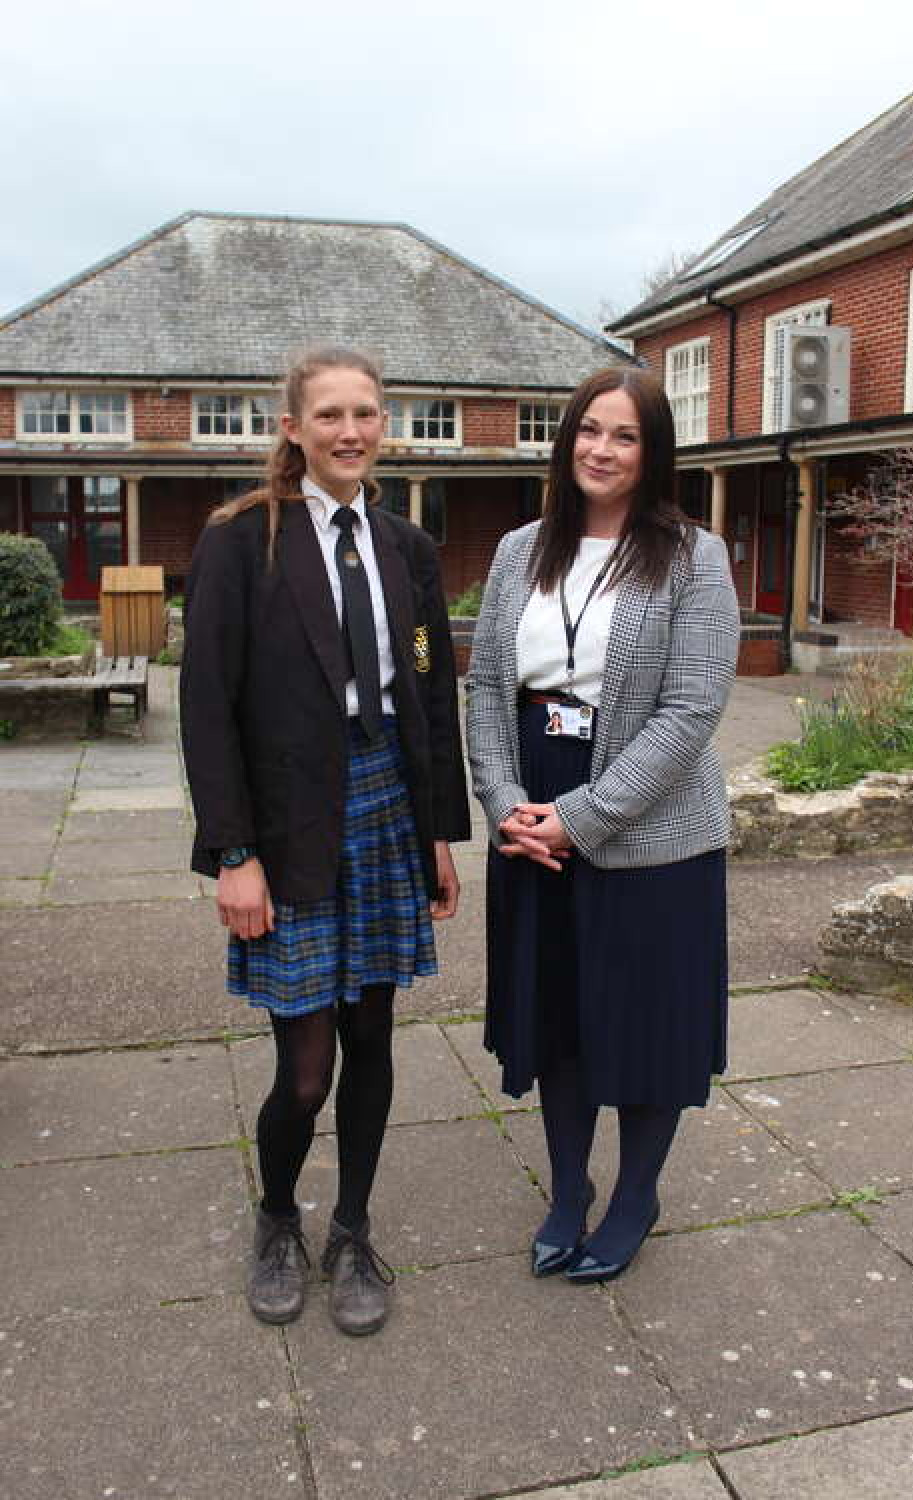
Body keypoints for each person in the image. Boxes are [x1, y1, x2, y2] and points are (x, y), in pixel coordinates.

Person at [180, 346, 469, 1335]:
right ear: (293, 428)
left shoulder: (407, 547)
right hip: (288, 827)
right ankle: (275, 1218)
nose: (352, 431)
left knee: (373, 1040)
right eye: (331, 414)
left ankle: (351, 1229)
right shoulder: (240, 542)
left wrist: (439, 832)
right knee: (304, 1070)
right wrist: (231, 852)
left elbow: (430, 695)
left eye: (368, 413)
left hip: (387, 809)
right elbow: (205, 708)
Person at [466, 366, 739, 1283]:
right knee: (560, 1019)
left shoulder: (695, 557)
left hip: (649, 823)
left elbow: (692, 710)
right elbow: (485, 689)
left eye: (624, 436)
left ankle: (634, 1197)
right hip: (530, 808)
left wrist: (580, 819)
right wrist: (505, 803)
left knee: (645, 1023)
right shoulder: (517, 551)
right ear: (566, 438)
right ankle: (568, 1189)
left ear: (652, 451)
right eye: (589, 430)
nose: (602, 450)